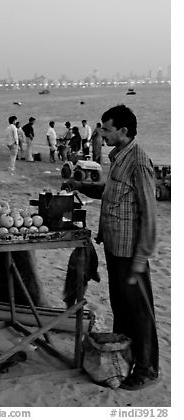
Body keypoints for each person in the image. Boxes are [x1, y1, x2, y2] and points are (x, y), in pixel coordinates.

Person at [72, 104, 159, 390]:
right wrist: (80, 187)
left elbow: (149, 212)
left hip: (131, 252)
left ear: (123, 130)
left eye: (106, 128)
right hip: (114, 246)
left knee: (140, 310)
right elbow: (113, 196)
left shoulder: (138, 160)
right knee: (122, 308)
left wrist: (141, 256)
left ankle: (147, 370)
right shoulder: (117, 156)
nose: (101, 132)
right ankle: (123, 359)